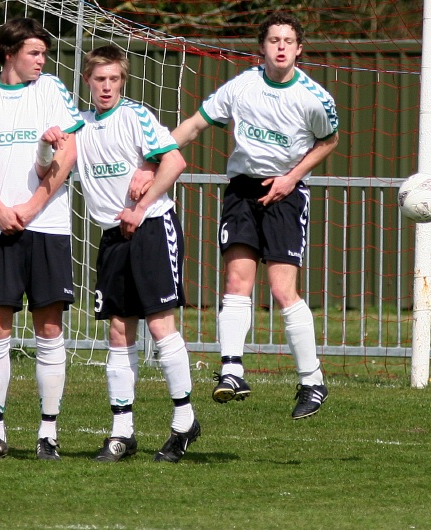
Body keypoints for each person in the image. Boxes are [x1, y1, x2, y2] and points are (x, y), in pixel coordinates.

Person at [171, 11, 339, 419]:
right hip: (243, 191)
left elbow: (329, 139)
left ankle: (312, 381)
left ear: (299, 49)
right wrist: (150, 157)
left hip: (285, 192)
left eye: (288, 41)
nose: (280, 47)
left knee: (282, 290)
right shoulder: (241, 87)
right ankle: (231, 371)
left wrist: (291, 178)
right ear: (261, 48)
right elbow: (195, 124)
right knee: (235, 279)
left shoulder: (314, 98)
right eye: (273, 40)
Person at [48, 44, 199, 463]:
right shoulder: (78, 125)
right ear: (88, 81)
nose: (107, 86)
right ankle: (122, 432)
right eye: (100, 79)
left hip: (151, 227)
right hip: (112, 237)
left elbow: (175, 162)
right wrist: (49, 146)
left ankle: (184, 422)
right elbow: (51, 168)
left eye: (114, 79)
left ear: (123, 80)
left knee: (159, 326)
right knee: (118, 331)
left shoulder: (136, 116)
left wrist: (141, 203)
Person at [0, 17, 84, 461]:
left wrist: (29, 208)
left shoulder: (52, 89)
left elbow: (68, 154)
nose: (42, 60)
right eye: (34, 53)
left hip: (46, 225)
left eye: (44, 53)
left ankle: (48, 434)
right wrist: (0, 209)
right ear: (9, 53)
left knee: (49, 327)